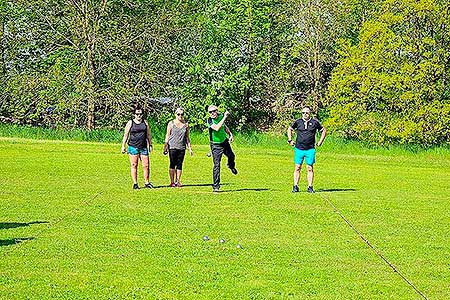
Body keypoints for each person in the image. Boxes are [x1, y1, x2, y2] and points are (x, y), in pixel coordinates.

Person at [287, 106, 326, 193]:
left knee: (309, 168)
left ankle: (310, 187)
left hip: (310, 149)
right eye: (303, 113)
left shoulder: (315, 122)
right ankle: (295, 186)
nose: (305, 114)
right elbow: (289, 129)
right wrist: (290, 140)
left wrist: (320, 142)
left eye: (307, 113)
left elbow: (323, 130)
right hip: (299, 148)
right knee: (297, 167)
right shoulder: (298, 122)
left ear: (310, 114)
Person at [121, 106, 153, 190]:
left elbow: (148, 135)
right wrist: (123, 146)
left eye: (140, 114)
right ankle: (135, 183)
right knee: (134, 165)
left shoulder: (145, 123)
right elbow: (126, 135)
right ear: (134, 114)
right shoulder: (130, 123)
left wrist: (150, 144)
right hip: (133, 146)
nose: (139, 116)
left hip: (143, 147)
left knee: (146, 165)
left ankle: (147, 182)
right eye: (137, 114)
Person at [207, 105, 237, 192]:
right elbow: (217, 128)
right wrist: (225, 117)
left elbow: (224, 126)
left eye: (213, 111)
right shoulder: (209, 120)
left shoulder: (220, 117)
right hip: (215, 145)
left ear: (217, 111)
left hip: (224, 142)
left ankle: (231, 166)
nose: (212, 113)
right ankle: (216, 186)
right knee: (217, 165)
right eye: (210, 112)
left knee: (231, 156)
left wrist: (230, 134)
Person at [163, 108, 193, 187]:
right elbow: (168, 135)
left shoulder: (186, 125)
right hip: (172, 146)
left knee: (179, 164)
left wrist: (190, 148)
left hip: (182, 147)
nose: (180, 116)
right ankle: (172, 182)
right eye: (178, 114)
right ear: (175, 114)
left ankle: (178, 181)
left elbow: (187, 137)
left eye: (182, 114)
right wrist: (165, 146)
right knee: (172, 164)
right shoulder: (171, 123)